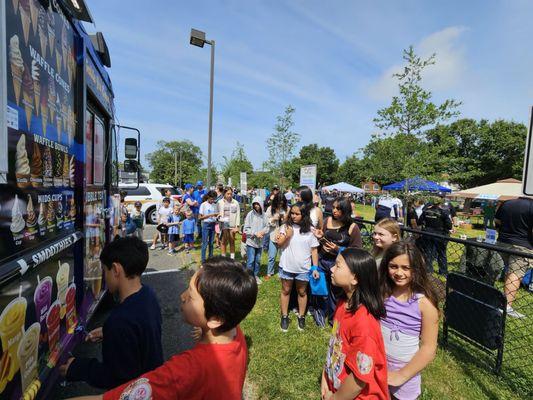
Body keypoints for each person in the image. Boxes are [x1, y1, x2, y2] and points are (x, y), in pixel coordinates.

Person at [68, 257, 258, 400]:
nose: (182, 296)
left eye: (191, 296)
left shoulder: (183, 371)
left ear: (216, 319)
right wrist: (205, 328)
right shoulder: (234, 332)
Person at [59, 236, 163, 389]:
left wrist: (77, 368)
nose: (104, 276)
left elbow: (117, 378)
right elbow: (139, 332)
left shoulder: (119, 321)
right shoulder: (148, 295)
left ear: (115, 270)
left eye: (105, 270)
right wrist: (108, 331)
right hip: (152, 383)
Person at [321, 248, 388, 400]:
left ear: (355, 279)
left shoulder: (364, 325)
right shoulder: (343, 303)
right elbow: (335, 346)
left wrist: (335, 398)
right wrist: (326, 377)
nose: (331, 268)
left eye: (338, 265)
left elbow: (359, 379)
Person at [379, 242, 439, 400]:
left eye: (406, 268)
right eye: (393, 266)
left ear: (417, 269)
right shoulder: (382, 293)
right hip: (377, 368)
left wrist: (401, 376)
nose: (399, 273)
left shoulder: (425, 304)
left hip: (405, 379)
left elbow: (429, 348)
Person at [313, 197, 362, 326]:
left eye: (338, 209)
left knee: (336, 293)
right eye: (333, 207)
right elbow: (321, 238)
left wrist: (338, 249)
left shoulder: (352, 227)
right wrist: (320, 237)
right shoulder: (327, 220)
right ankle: (321, 313)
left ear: (345, 211)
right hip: (323, 261)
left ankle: (334, 318)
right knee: (322, 289)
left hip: (339, 265)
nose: (334, 211)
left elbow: (356, 250)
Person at [276, 202, 320, 331]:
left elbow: (314, 250)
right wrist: (288, 236)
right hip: (287, 266)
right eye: (292, 213)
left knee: (302, 292)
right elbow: (278, 244)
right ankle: (284, 316)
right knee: (285, 291)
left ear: (304, 215)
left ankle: (301, 316)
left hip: (304, 268)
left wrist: (315, 268)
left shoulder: (311, 230)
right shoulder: (286, 227)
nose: (294, 216)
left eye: (297, 214)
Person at [495, 197, 533, 318]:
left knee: (496, 269)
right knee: (515, 274)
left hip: (502, 242)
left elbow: (496, 221)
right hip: (523, 246)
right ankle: (506, 307)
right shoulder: (532, 206)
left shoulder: (507, 203)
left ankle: (485, 296)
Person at [418, 197, 452, 275]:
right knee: (441, 253)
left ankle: (428, 269)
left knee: (428, 252)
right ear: (440, 203)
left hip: (428, 234)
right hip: (439, 234)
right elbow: (449, 226)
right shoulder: (443, 212)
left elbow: (419, 222)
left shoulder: (425, 211)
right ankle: (443, 271)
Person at [243, 196, 269, 284]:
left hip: (260, 243)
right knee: (251, 260)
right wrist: (255, 233)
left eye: (258, 204)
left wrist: (262, 232)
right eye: (255, 204)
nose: (257, 206)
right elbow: (246, 229)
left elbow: (267, 227)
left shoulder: (264, 215)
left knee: (257, 260)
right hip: (251, 241)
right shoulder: (250, 214)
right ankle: (248, 277)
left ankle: (255, 275)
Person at [265, 192, 289, 279]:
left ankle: (281, 272)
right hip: (273, 235)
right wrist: (273, 219)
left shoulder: (287, 209)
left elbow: (290, 222)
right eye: (279, 202)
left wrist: (285, 219)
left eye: (282, 203)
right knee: (271, 256)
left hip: (284, 235)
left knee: (283, 256)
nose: (280, 204)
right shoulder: (270, 209)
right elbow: (266, 221)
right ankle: (269, 272)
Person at [218, 186, 241, 259]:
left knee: (232, 241)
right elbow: (217, 212)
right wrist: (218, 217)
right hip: (223, 224)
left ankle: (232, 258)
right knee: (223, 241)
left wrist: (237, 226)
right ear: (224, 194)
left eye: (231, 194)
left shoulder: (236, 202)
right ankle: (223, 257)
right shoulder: (220, 202)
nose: (229, 195)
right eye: (228, 194)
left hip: (232, 224)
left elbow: (238, 214)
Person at [199, 190, 219, 263]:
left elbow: (216, 214)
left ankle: (210, 258)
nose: (212, 200)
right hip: (206, 224)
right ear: (208, 197)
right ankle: (203, 260)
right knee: (205, 243)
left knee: (211, 243)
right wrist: (210, 215)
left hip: (213, 224)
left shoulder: (215, 205)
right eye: (211, 199)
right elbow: (200, 217)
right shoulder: (203, 205)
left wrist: (217, 216)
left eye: (214, 199)